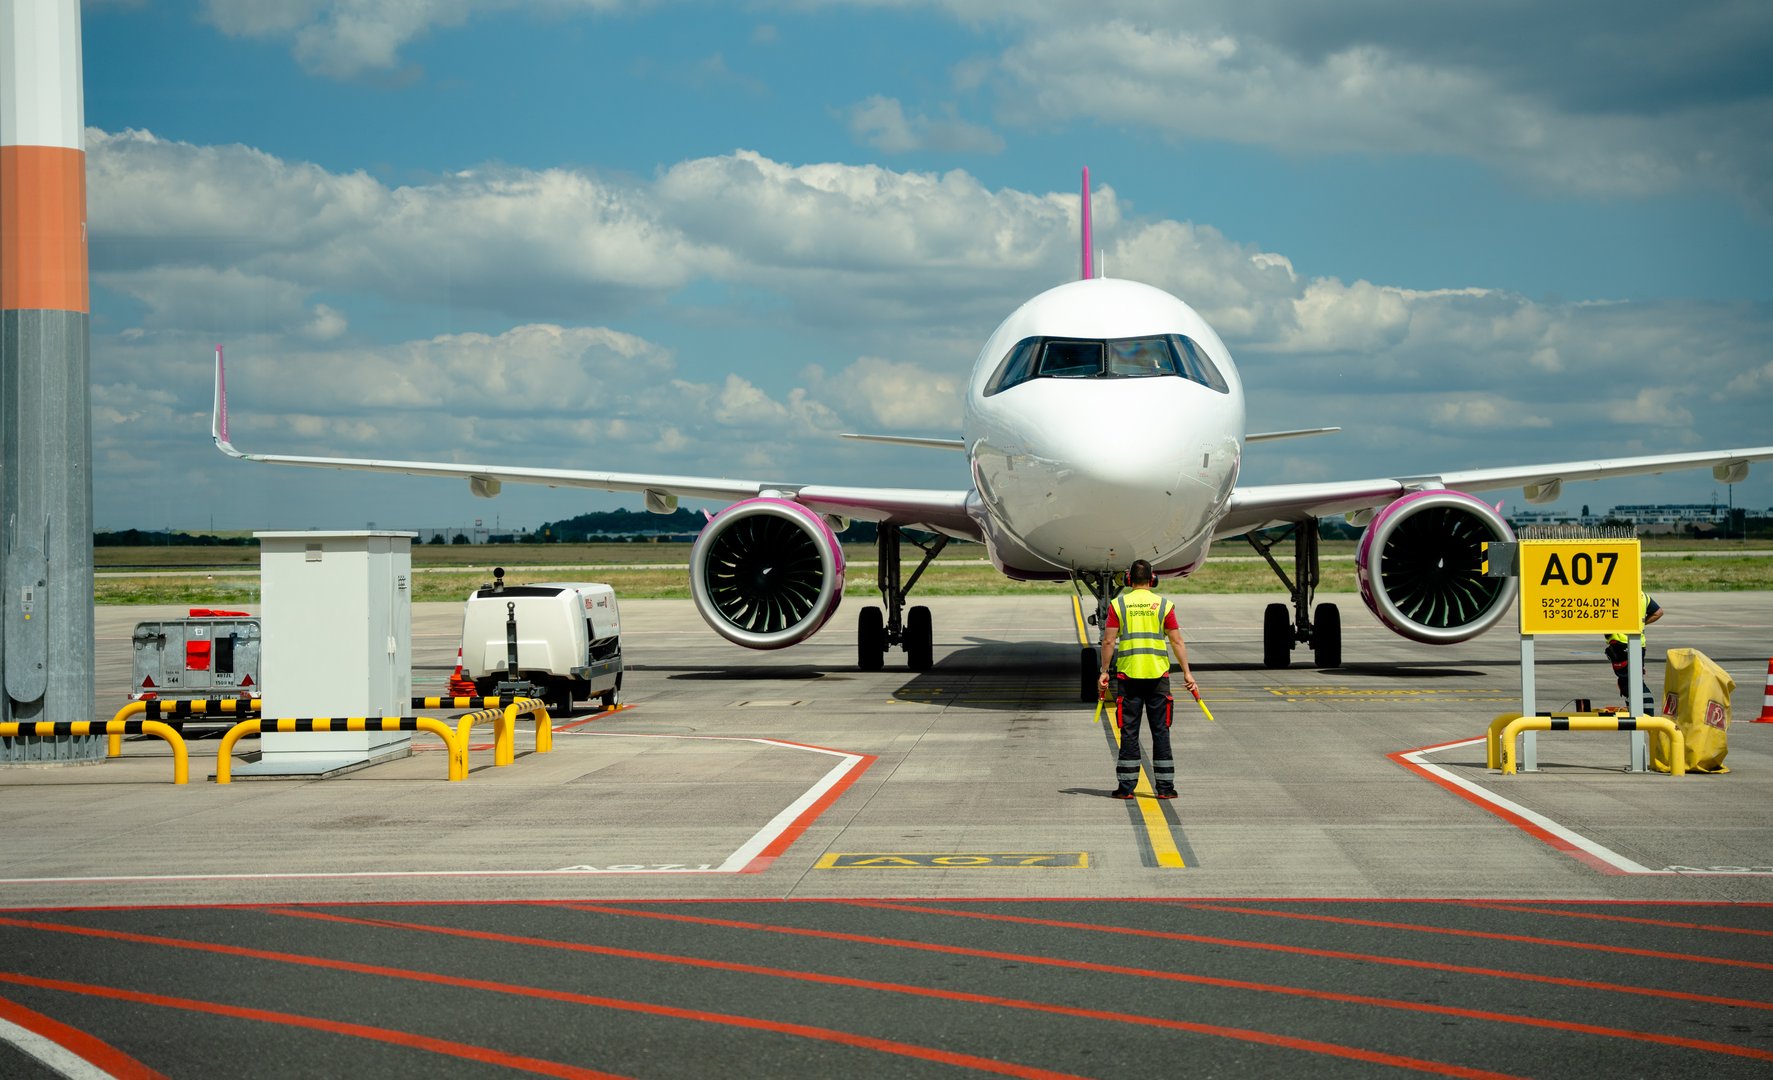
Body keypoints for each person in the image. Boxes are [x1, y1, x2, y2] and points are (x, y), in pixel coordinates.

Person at [1097, 559, 1196, 799]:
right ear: (1153, 580)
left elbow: (1109, 641)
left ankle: (1127, 787)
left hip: (1129, 675)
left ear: (1128, 580)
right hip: (1158, 676)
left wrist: (1104, 670)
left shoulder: (1119, 605)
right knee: (1161, 730)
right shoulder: (1163, 605)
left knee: (1129, 731)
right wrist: (1187, 672)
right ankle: (1165, 787)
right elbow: (1176, 641)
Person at [1604, 592, 1663, 712]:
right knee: (1630, 682)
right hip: (1638, 644)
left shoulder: (1617, 593)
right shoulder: (1642, 596)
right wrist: (1640, 624)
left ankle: (1646, 716)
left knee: (1629, 684)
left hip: (1621, 645)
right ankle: (1638, 713)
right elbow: (1658, 612)